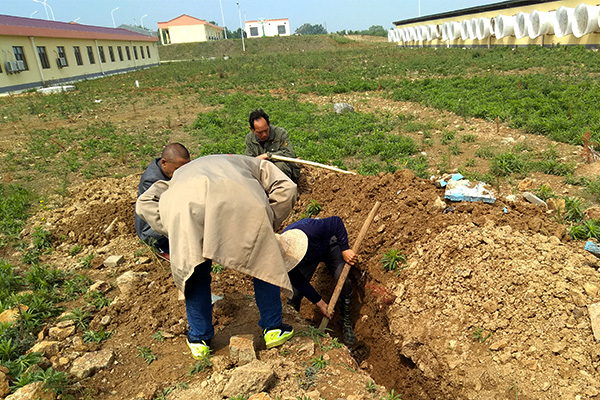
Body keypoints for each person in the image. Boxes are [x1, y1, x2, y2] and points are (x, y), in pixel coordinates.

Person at [136, 154, 302, 359]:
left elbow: (144, 202)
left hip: (189, 210)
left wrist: (172, 227)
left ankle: (199, 340)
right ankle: (273, 328)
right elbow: (288, 188)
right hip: (242, 206)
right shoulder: (253, 164)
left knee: (195, 271)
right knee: (263, 262)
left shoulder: (179, 175)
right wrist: (269, 221)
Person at [284, 216, 359, 346]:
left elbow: (337, 222)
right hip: (307, 258)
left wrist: (345, 248)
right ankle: (295, 326)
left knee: (344, 282)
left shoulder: (312, 229)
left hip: (328, 245)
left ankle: (345, 322)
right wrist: (319, 302)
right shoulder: (285, 256)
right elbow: (299, 281)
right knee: (294, 294)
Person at [134, 143, 190, 258]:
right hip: (151, 231)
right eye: (178, 169)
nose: (182, 173)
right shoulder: (151, 181)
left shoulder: (170, 169)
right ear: (164, 163)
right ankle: (162, 249)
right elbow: (162, 212)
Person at [245, 109, 301, 183]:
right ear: (252, 129)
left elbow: (289, 154)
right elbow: (249, 161)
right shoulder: (250, 139)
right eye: (260, 132)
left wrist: (268, 156)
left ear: (269, 123)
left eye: (266, 130)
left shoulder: (280, 134)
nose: (264, 134)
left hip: (282, 171)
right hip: (262, 170)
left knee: (280, 167)